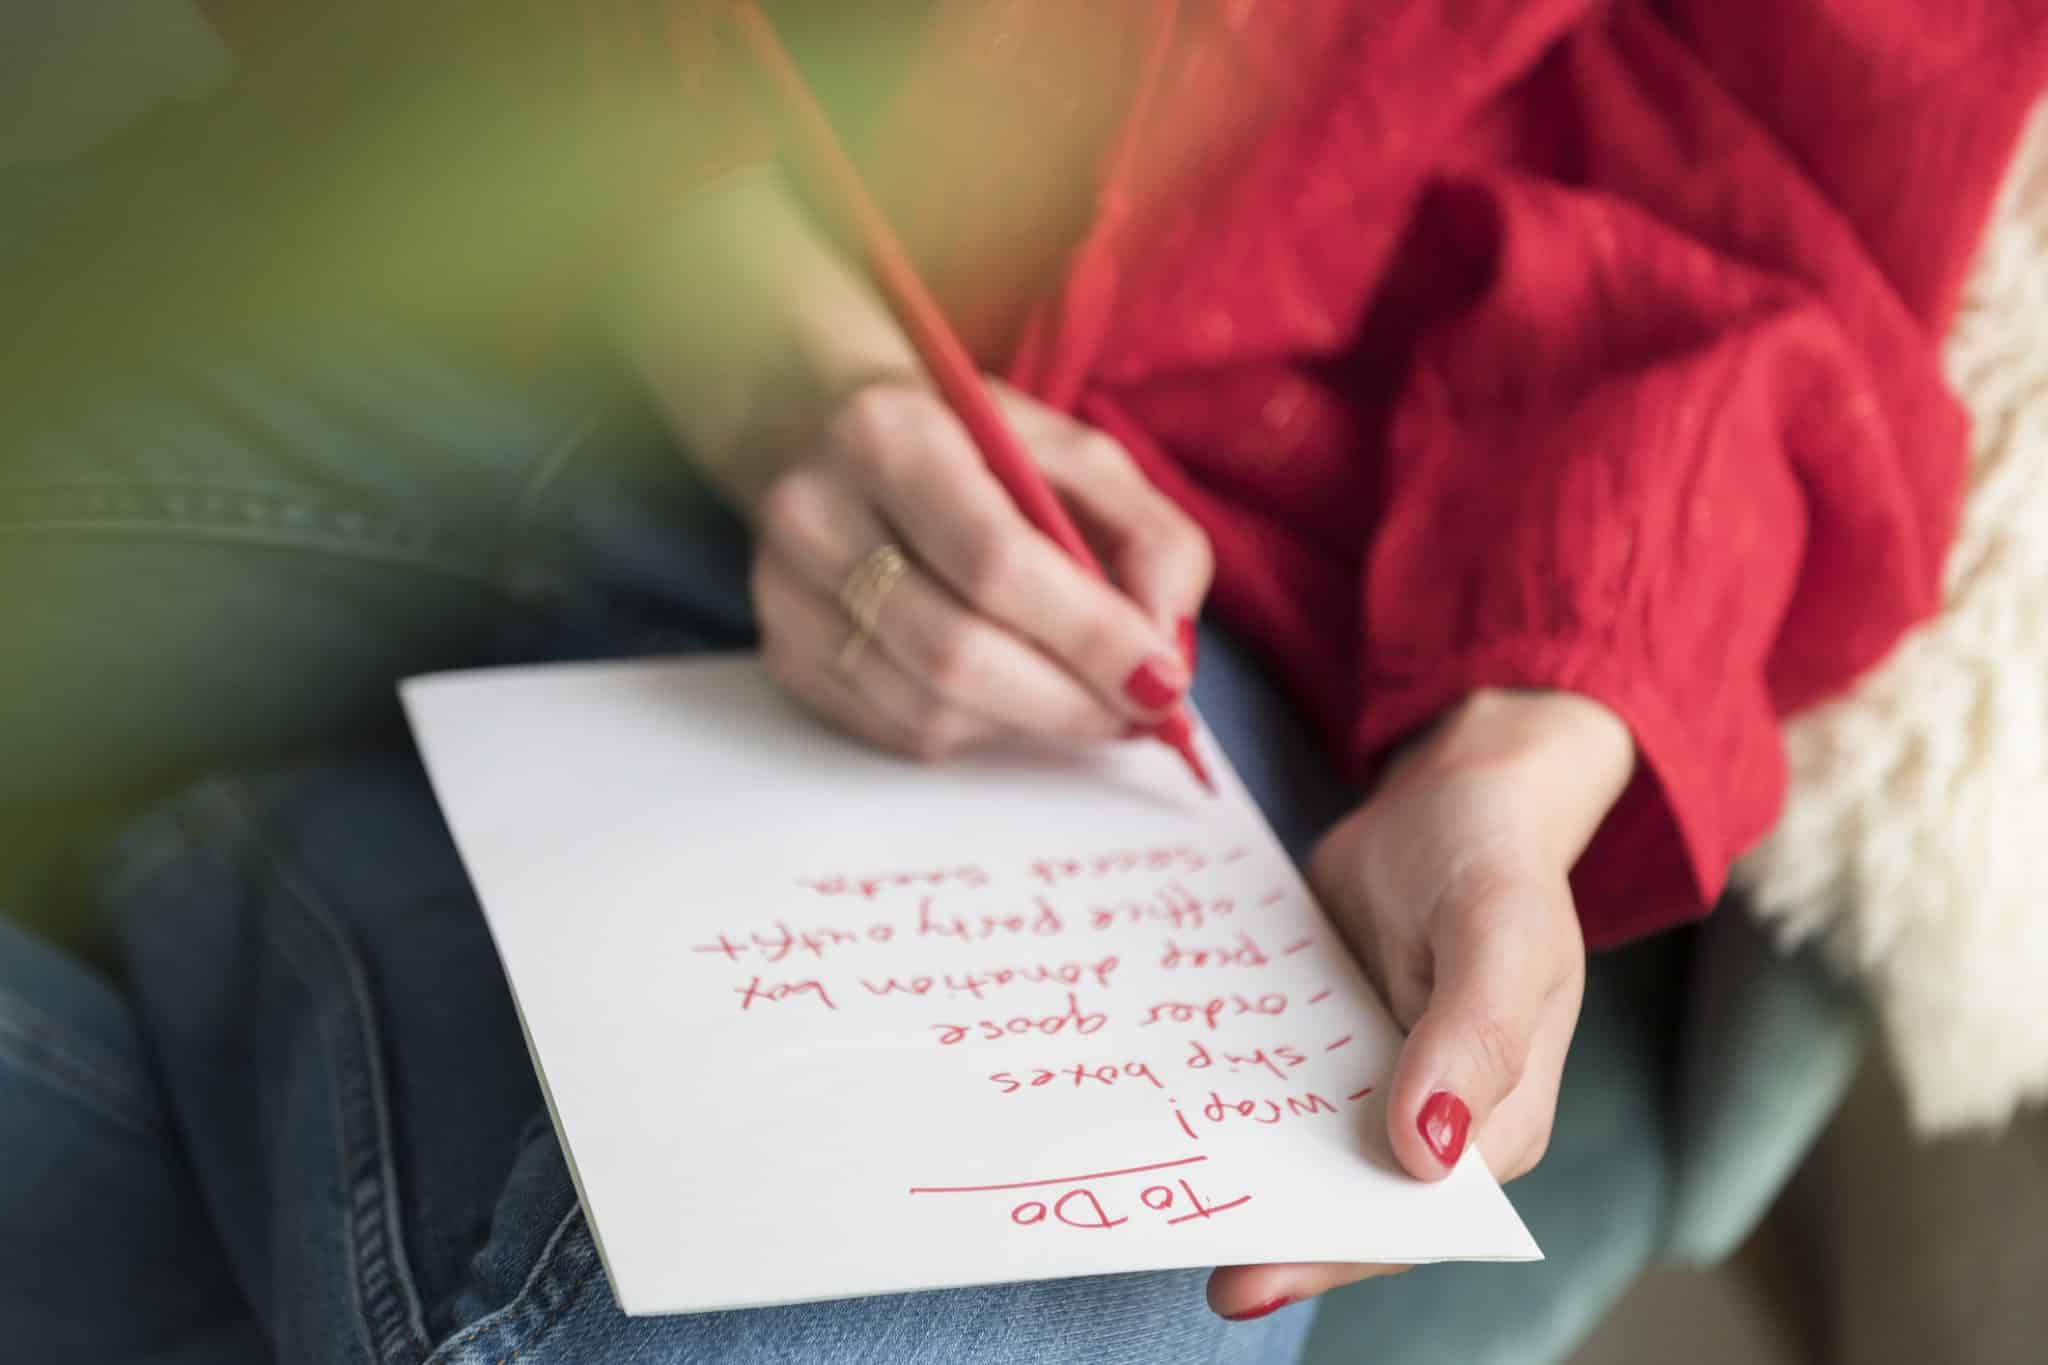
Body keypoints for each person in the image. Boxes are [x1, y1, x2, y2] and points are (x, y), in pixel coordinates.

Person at [2, 2, 2042, 1361]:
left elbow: (1772, 216)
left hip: (1177, 597)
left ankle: (283, 911)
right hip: (465, 274)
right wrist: (768, 343)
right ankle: (321, 933)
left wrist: (1518, 754)